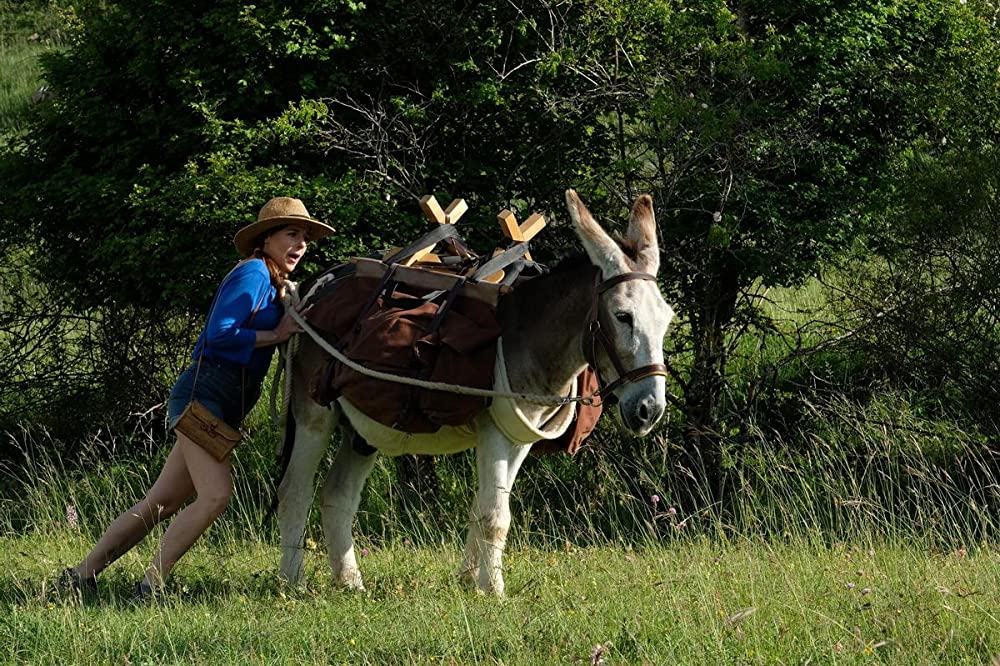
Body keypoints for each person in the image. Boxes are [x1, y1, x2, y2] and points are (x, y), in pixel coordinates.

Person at [62, 196, 333, 600]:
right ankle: (150, 585)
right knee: (216, 496)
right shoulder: (254, 274)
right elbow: (220, 333)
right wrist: (276, 335)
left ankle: (80, 576)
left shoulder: (273, 281)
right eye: (292, 234)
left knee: (162, 500)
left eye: (305, 237)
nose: (301, 244)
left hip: (223, 401)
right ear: (267, 239)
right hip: (205, 394)